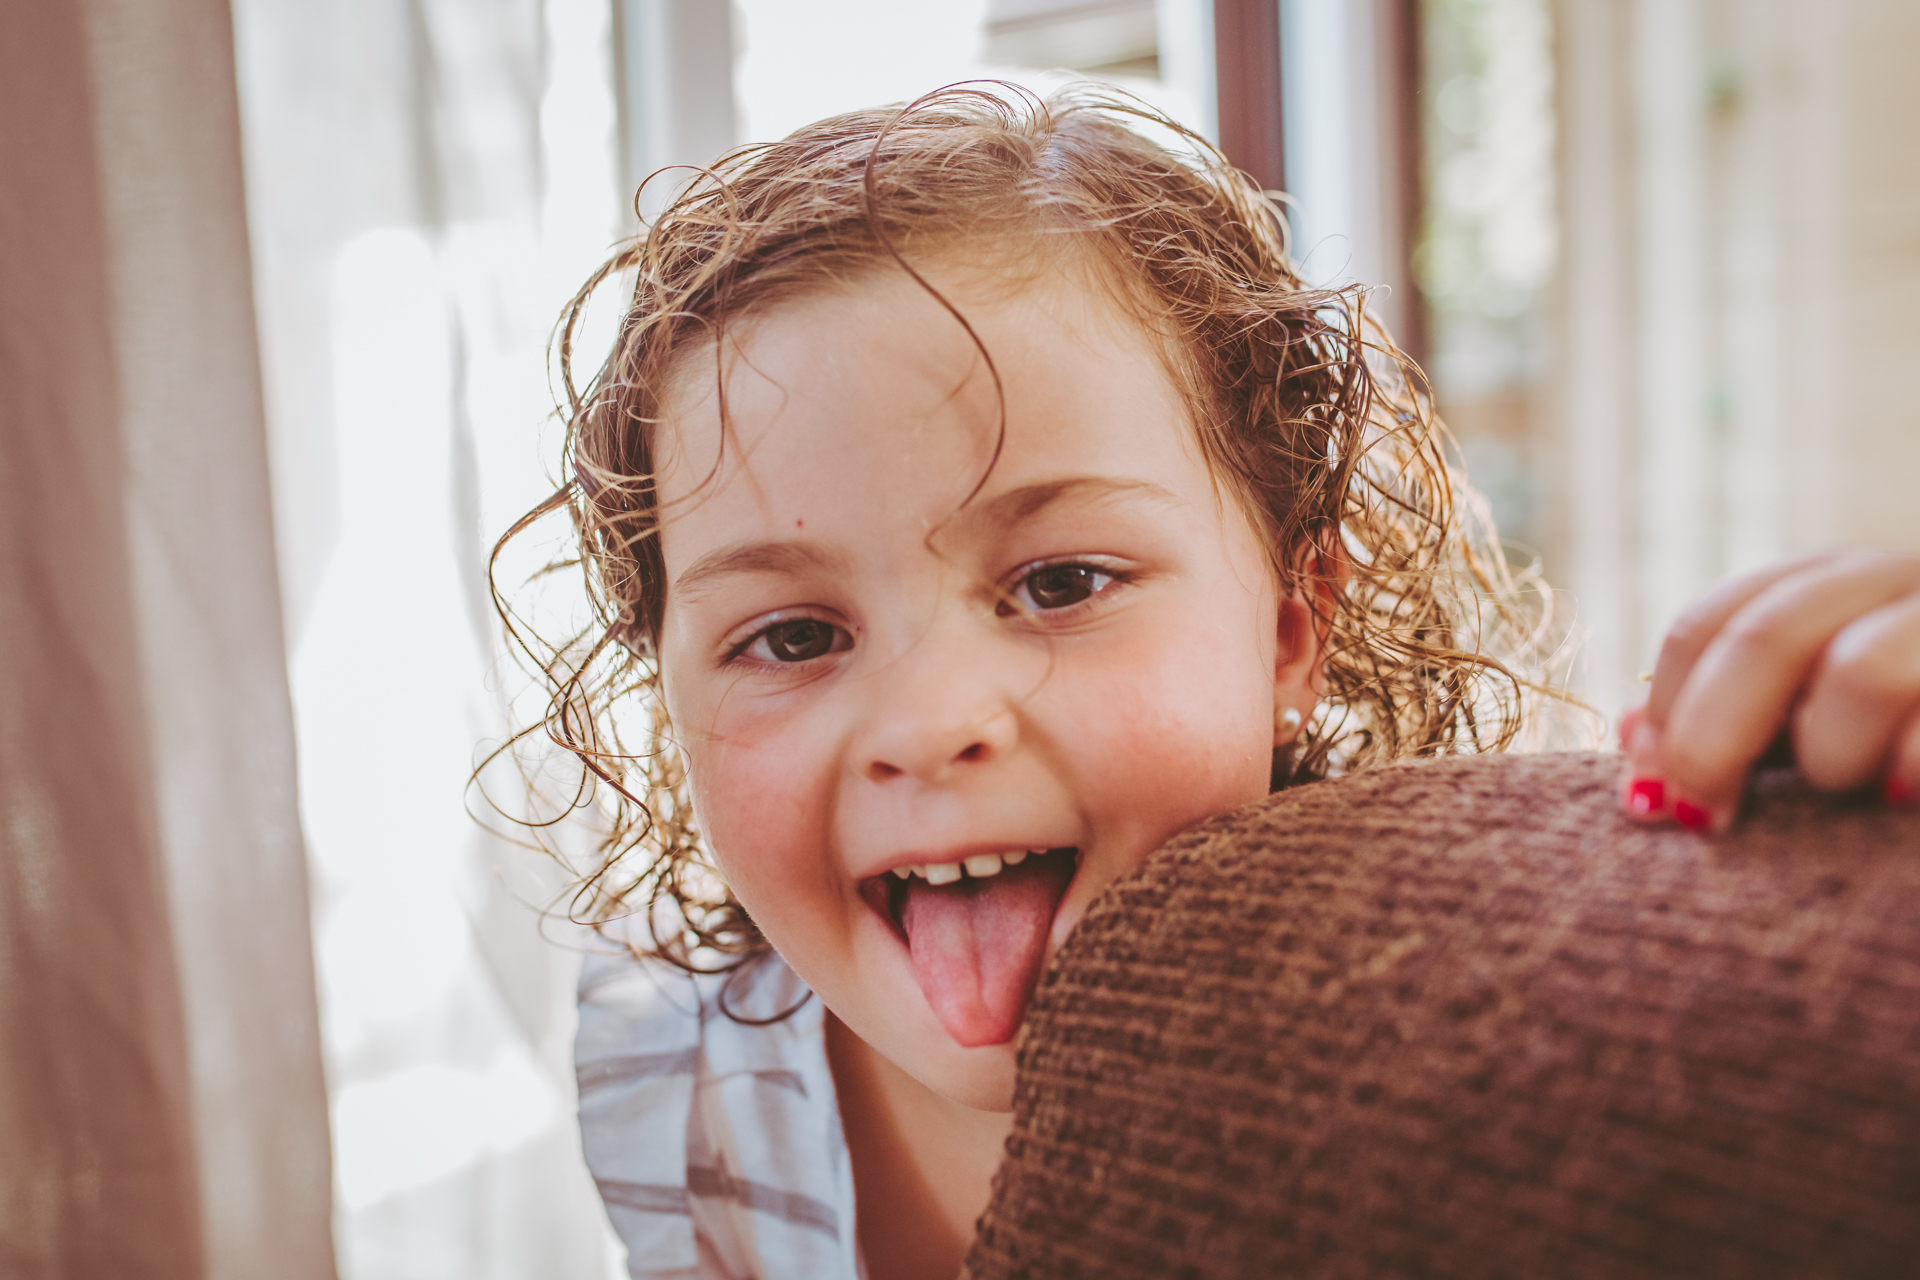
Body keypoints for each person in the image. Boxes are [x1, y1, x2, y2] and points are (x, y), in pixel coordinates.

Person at [494, 86, 1920, 1280]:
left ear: (1294, 629)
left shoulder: (1459, 1034)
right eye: (793, 639)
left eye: (1061, 584)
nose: (930, 727)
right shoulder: (675, 1076)